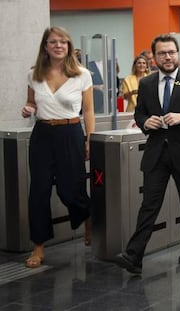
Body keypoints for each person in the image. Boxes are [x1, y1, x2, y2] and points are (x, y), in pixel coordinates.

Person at [114, 34, 180, 274]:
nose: (167, 57)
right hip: (156, 153)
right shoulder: (147, 83)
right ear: (154, 57)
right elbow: (139, 115)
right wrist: (145, 122)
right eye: (162, 53)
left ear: (177, 54)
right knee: (149, 204)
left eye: (171, 52)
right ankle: (134, 254)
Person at [21, 26, 95, 268]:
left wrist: (89, 139)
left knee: (70, 189)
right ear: (46, 46)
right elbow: (31, 102)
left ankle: (87, 217)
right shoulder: (34, 74)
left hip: (70, 132)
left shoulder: (82, 75)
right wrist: (28, 109)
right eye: (53, 42)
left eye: (63, 42)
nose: (59, 45)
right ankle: (38, 246)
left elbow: (88, 110)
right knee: (39, 190)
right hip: (42, 135)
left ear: (69, 46)